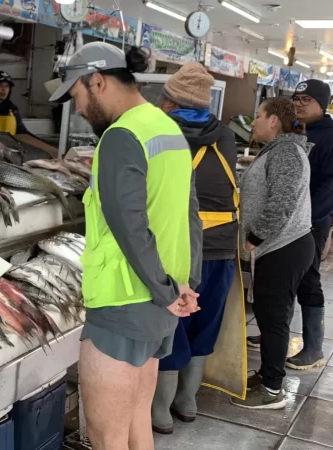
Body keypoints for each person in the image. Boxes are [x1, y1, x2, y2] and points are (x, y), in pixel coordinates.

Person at [50, 42, 202, 448]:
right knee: (136, 424)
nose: (78, 109)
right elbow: (190, 214)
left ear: (97, 81)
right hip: (159, 302)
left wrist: (165, 290)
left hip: (123, 301)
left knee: (105, 434)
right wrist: (183, 285)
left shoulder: (120, 136)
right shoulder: (166, 127)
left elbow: (129, 227)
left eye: (77, 97)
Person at [151, 63, 239, 434]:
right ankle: (188, 401)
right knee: (206, 321)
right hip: (222, 247)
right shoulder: (227, 136)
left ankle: (160, 411)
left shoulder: (163, 136)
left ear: (170, 103)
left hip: (181, 247)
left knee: (173, 324)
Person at [232, 97, 314, 409]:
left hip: (284, 248)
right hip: (281, 247)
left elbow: (283, 199)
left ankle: (271, 390)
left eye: (258, 115)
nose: (253, 121)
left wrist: (255, 236)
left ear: (274, 121)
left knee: (274, 317)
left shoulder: (287, 151)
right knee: (269, 317)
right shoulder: (282, 149)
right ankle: (268, 374)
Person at [247, 80, 333, 371]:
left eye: (306, 99)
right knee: (279, 291)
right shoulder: (297, 135)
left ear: (322, 103)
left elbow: (329, 187)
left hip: (310, 222)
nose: (299, 103)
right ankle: (273, 332)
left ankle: (312, 347)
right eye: (296, 98)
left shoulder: (329, 137)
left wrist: (309, 218)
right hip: (290, 222)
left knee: (307, 282)